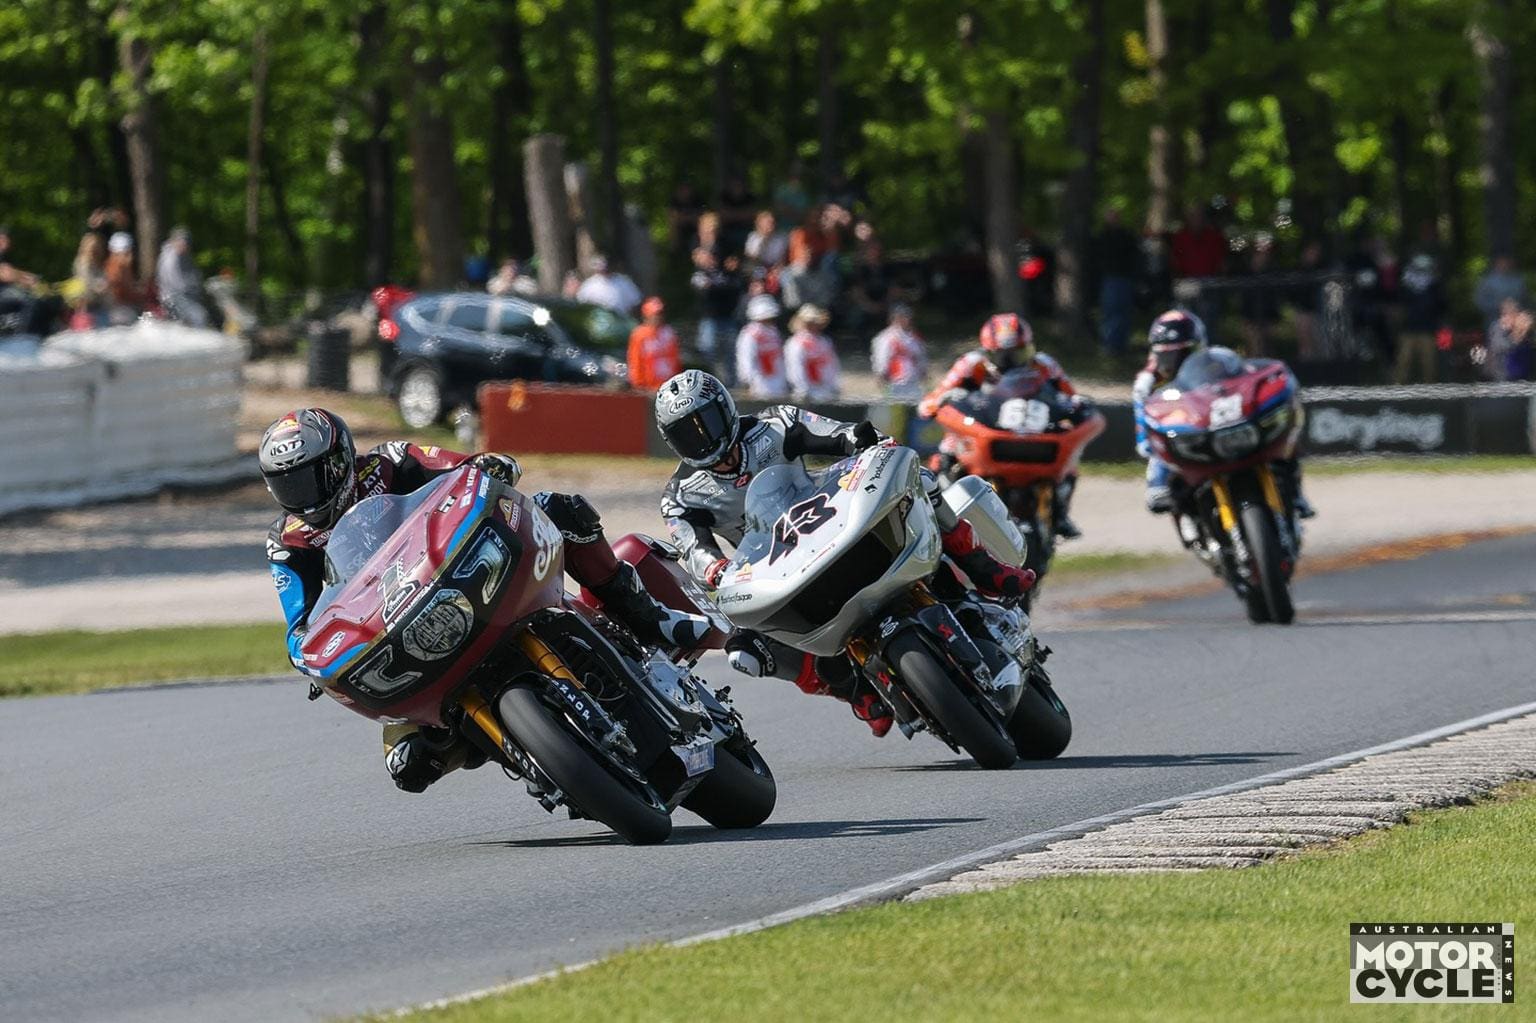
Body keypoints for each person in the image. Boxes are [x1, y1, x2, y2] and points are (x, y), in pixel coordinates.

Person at [260, 408, 708, 794]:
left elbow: (464, 470)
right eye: (287, 486)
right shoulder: (288, 542)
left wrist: (488, 466)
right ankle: (522, 750)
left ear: (339, 460)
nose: (302, 496)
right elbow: (299, 626)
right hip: (401, 629)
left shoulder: (390, 462)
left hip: (455, 575)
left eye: (308, 478)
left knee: (560, 508)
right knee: (409, 765)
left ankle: (648, 616)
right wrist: (311, 660)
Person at [653, 370, 1035, 736]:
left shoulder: (775, 423)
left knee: (920, 477)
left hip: (832, 518)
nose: (703, 440)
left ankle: (983, 567)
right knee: (745, 652)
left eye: (707, 424)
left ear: (726, 410)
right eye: (687, 434)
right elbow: (693, 547)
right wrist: (716, 569)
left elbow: (835, 433)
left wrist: (861, 439)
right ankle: (856, 692)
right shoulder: (681, 496)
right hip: (776, 568)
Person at [1133, 309, 1315, 517]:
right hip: (1186, 428)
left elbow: (1242, 377)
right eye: (1167, 355)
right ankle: (1160, 487)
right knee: (1159, 450)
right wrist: (1145, 442)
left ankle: (1295, 493)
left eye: (1183, 354)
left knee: (1286, 441)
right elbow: (1143, 417)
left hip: (1219, 420)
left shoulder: (1217, 360)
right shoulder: (1146, 382)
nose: (1174, 361)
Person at [918, 313, 1084, 539]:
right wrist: (941, 401)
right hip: (984, 429)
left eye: (1019, 354)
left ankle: (1060, 513)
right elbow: (934, 397)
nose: (1012, 363)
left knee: (1069, 460)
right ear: (988, 352)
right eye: (1004, 357)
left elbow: (1072, 397)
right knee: (945, 453)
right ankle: (937, 515)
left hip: (1033, 428)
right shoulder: (971, 364)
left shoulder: (1045, 365)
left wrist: (1074, 408)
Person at [1394, 243, 1446, 385]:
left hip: (1428, 327)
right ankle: (1397, 388)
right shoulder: (1405, 282)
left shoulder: (1435, 283)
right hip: (1408, 327)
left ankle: (1429, 388)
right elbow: (1400, 301)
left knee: (1429, 362)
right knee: (1403, 360)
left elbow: (1442, 305)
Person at [690, 246, 743, 384]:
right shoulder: (699, 275)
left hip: (728, 317)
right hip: (709, 319)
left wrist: (720, 284)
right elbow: (706, 291)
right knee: (708, 348)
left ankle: (731, 383)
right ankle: (710, 378)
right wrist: (721, 288)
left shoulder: (726, 273)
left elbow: (735, 288)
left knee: (730, 351)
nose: (710, 260)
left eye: (711, 257)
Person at [1092, 208, 1141, 356]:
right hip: (1109, 278)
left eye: (1115, 216)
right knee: (1110, 312)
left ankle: (1121, 345)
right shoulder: (1102, 236)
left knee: (1124, 312)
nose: (1113, 219)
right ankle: (1109, 345)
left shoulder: (1126, 236)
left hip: (1125, 278)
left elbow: (1134, 256)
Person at [784, 304, 841, 401]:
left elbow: (832, 365)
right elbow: (795, 367)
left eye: (814, 322)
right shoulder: (795, 343)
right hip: (808, 392)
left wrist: (834, 385)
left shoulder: (824, 341)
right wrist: (803, 389)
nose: (811, 325)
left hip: (825, 391)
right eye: (808, 322)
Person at [870, 303, 928, 399]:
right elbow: (881, 358)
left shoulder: (916, 337)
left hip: (913, 381)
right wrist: (880, 375)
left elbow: (921, 356)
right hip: (895, 381)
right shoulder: (886, 337)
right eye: (901, 316)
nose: (906, 319)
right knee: (896, 406)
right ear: (894, 318)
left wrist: (924, 372)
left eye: (907, 316)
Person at [735, 293, 787, 398]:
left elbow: (779, 357)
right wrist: (747, 380)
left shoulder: (774, 332)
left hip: (776, 379)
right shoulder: (749, 333)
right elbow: (746, 358)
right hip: (759, 380)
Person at [156, 227, 209, 327]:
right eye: (181, 241)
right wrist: (192, 287)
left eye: (186, 242)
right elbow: (175, 283)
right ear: (174, 241)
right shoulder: (170, 258)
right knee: (199, 316)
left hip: (186, 295)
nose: (185, 244)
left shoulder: (183, 256)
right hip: (174, 297)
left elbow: (194, 275)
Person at [626, 296, 682, 391]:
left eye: (660, 313)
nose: (658, 317)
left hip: (668, 385)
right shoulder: (639, 334)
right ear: (647, 315)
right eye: (655, 314)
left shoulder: (668, 332)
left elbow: (675, 358)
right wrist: (638, 383)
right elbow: (635, 359)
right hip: (648, 387)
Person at [575, 254, 641, 315]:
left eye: (606, 266)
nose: (604, 269)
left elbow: (635, 302)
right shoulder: (589, 285)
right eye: (600, 267)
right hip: (598, 320)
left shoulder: (624, 281)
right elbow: (581, 304)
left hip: (621, 319)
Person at [104, 231, 143, 325]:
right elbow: (120, 293)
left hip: (124, 308)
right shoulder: (114, 268)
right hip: (116, 310)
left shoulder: (124, 267)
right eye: (126, 253)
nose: (130, 256)